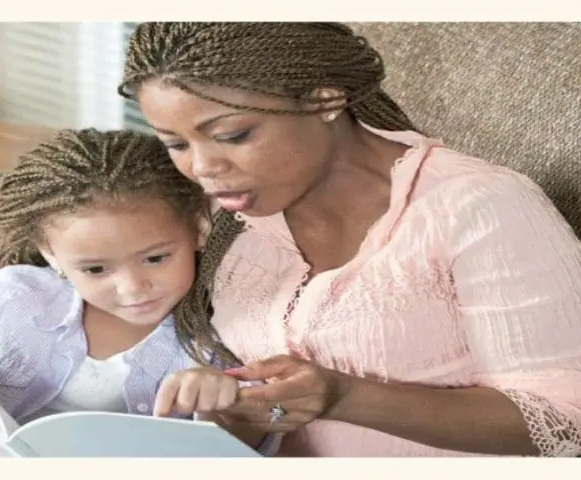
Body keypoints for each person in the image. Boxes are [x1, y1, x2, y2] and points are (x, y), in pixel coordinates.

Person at [115, 22, 581, 457]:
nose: (201, 168)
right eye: (176, 144)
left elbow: (566, 422)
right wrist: (228, 409)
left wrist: (345, 397)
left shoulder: (478, 207)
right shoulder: (227, 219)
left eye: (232, 135)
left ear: (324, 101)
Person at [0, 128, 271, 457]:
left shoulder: (218, 339)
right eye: (95, 269)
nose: (133, 288)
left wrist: (221, 405)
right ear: (50, 253)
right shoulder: (8, 295)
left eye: (155, 258)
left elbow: (250, 445)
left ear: (198, 228)